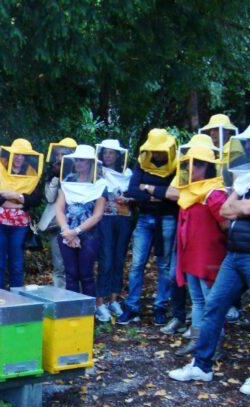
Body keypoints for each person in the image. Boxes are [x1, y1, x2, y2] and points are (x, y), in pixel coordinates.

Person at [169, 118, 250, 396]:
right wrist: (242, 206)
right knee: (214, 307)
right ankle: (202, 365)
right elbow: (228, 210)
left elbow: (249, 208)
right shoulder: (249, 172)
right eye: (247, 142)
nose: (248, 146)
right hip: (236, 253)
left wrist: (242, 205)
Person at [169, 136, 229, 356]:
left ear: (208, 168)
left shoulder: (214, 193)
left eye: (198, 164)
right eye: (189, 164)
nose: (192, 169)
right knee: (197, 300)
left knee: (212, 302)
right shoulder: (189, 191)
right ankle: (197, 340)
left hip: (209, 257)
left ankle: (215, 345)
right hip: (190, 254)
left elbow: (226, 225)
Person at [118, 129, 179, 326]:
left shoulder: (177, 165)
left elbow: (175, 194)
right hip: (145, 218)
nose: (157, 154)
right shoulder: (142, 163)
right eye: (154, 150)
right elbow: (132, 189)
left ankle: (160, 306)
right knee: (136, 264)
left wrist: (148, 188)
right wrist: (156, 195)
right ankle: (132, 306)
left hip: (168, 218)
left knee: (164, 265)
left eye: (160, 150)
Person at [0, 138, 44, 289]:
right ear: (11, 154)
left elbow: (36, 199)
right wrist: (19, 200)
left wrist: (15, 196)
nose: (19, 157)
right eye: (16, 154)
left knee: (17, 264)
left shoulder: (33, 173)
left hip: (20, 225)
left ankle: (17, 300)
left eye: (22, 155)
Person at [55, 145, 108, 298]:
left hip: (89, 235)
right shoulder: (68, 180)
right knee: (70, 275)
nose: (78, 163)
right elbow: (59, 209)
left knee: (86, 275)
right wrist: (67, 231)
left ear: (91, 163)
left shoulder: (100, 184)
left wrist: (75, 232)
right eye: (77, 160)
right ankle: (72, 314)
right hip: (66, 233)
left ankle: (88, 315)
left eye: (82, 161)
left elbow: (97, 215)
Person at [94, 139, 132, 322]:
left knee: (119, 258)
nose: (108, 156)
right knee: (106, 259)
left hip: (123, 219)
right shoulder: (97, 171)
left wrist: (128, 198)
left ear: (118, 155)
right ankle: (100, 302)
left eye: (111, 153)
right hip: (105, 220)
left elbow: (133, 194)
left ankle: (114, 300)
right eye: (105, 152)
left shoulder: (128, 172)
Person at [37, 138, 77, 288]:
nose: (60, 157)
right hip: (56, 225)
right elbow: (49, 198)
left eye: (64, 154)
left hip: (76, 224)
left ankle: (75, 298)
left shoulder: (82, 173)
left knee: (75, 264)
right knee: (59, 265)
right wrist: (55, 177)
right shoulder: (53, 173)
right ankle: (60, 298)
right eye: (58, 154)